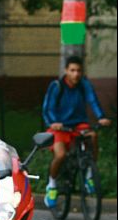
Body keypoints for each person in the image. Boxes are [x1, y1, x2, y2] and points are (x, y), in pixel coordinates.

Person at [42, 55, 111, 207]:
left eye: (79, 70)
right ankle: (52, 185)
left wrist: (101, 117)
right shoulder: (57, 86)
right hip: (60, 127)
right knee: (60, 155)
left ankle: (89, 174)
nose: (76, 74)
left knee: (93, 135)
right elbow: (48, 108)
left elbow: (93, 100)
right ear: (66, 70)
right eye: (72, 70)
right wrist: (53, 122)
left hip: (79, 125)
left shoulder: (84, 85)